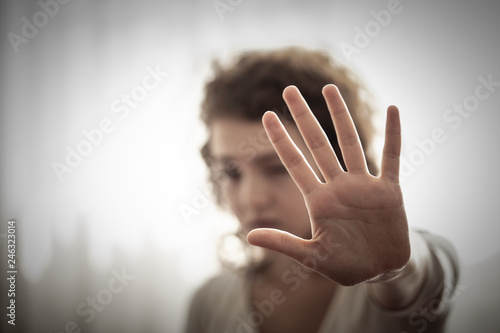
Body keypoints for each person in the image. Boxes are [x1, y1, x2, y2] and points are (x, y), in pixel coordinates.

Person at [184, 47, 459, 333]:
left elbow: (427, 278)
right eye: (231, 172)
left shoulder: (383, 291)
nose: (251, 198)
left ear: (338, 162)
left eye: (278, 168)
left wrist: (396, 271)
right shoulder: (209, 303)